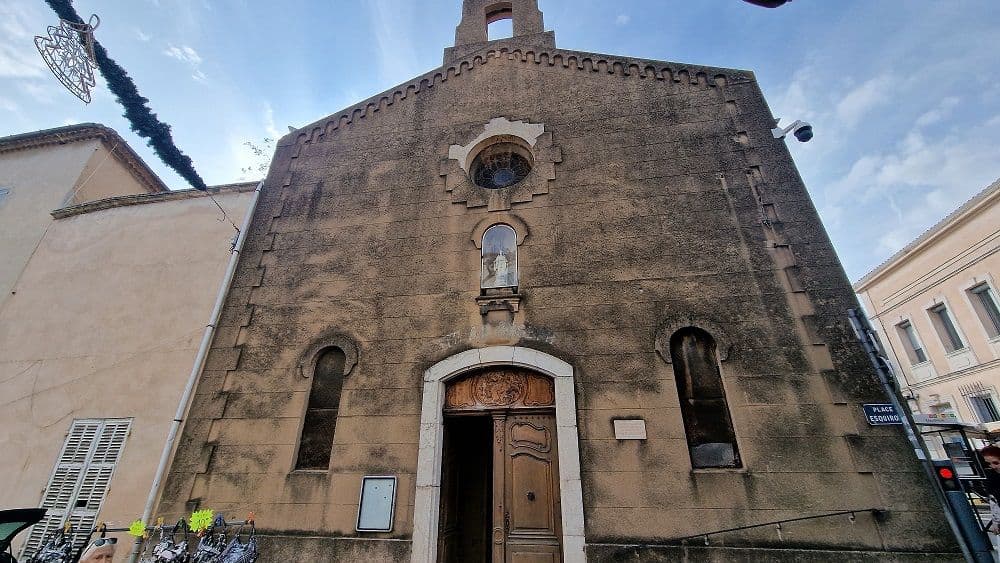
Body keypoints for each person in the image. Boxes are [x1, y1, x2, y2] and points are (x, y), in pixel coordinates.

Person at [981, 445, 1000, 534]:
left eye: (996, 463)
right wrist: (996, 521)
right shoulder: (991, 476)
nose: (993, 466)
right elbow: (993, 501)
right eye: (988, 464)